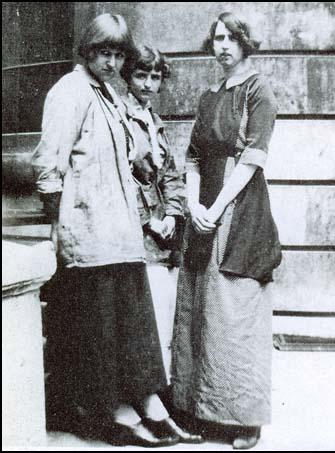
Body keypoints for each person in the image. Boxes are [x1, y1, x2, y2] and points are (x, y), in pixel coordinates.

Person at [32, 13, 192, 448]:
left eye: (118, 54)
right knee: (100, 330)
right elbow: (49, 163)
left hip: (120, 235)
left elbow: (135, 155)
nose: (111, 61)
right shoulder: (70, 91)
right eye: (104, 52)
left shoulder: (106, 95)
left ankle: (150, 405)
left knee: (133, 330)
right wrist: (56, 226)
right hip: (89, 233)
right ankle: (115, 411)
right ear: (87, 50)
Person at [171, 12, 282, 450]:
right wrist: (194, 203)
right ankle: (200, 408)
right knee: (201, 308)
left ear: (245, 43)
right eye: (216, 38)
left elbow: (254, 157)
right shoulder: (207, 97)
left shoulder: (259, 90)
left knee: (235, 310)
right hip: (205, 211)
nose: (222, 46)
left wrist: (215, 208)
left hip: (240, 211)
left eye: (231, 38)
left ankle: (243, 419)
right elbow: (195, 156)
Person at [120, 46, 185, 382]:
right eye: (140, 75)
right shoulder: (121, 117)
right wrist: (150, 221)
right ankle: (152, 392)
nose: (147, 84)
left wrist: (173, 212)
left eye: (155, 77)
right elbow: (124, 178)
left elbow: (171, 173)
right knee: (147, 315)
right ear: (128, 76)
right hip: (138, 231)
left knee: (167, 310)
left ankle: (166, 389)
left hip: (165, 232)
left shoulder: (154, 121)